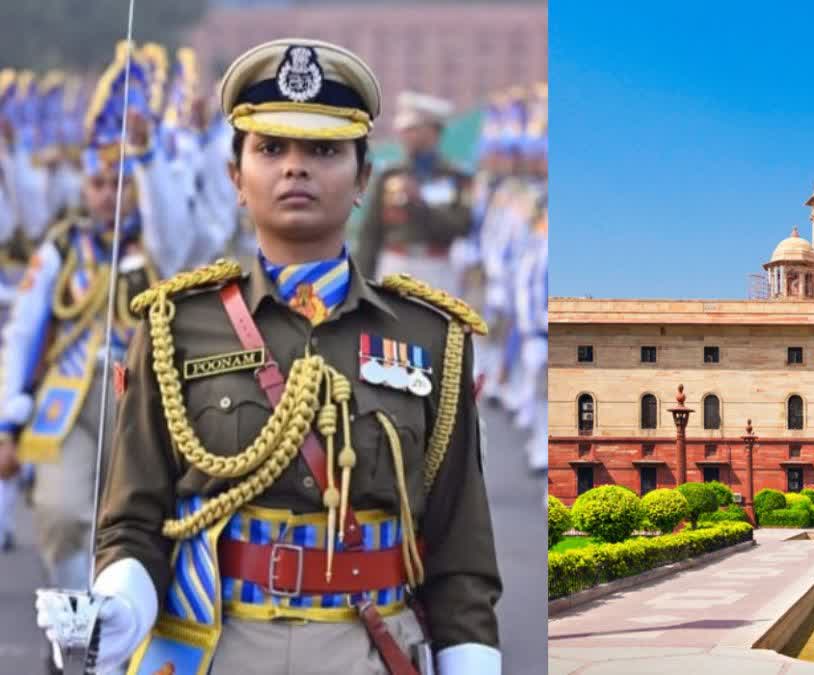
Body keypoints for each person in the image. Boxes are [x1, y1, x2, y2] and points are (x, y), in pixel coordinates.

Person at [37, 38, 500, 675]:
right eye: (271, 148)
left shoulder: (433, 338)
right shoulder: (175, 325)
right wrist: (120, 605)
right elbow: (133, 521)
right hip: (215, 646)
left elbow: (460, 552)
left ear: (363, 178)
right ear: (236, 176)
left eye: (325, 151)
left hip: (371, 645)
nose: (295, 169)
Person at [0, 41, 198, 602]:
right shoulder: (65, 247)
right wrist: (6, 418)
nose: (106, 195)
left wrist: (148, 156)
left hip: (142, 397)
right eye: (97, 184)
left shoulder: (158, 245)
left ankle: (118, 627)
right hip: (68, 402)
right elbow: (22, 333)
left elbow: (176, 231)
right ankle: (72, 619)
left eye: (119, 183)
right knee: (62, 515)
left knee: (134, 520)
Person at [355, 91, 472, 293]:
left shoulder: (456, 177)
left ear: (433, 131)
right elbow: (371, 232)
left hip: (437, 267)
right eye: (404, 130)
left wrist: (420, 202)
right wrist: (361, 283)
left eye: (413, 129)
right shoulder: (390, 175)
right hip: (395, 264)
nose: (405, 135)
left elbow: (462, 226)